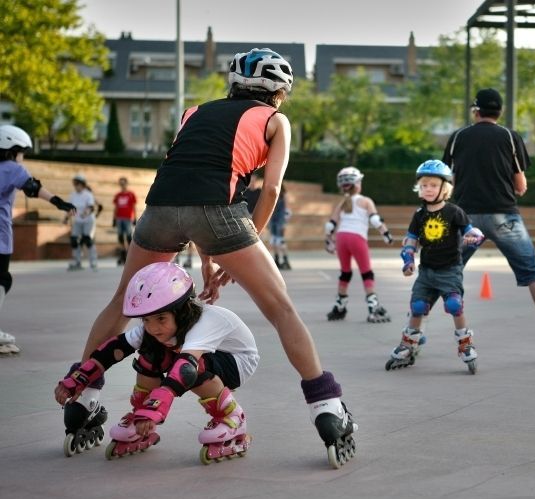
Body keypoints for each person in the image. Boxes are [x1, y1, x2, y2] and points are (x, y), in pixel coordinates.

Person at [56, 48, 357, 468]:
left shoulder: (193, 112)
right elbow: (268, 191)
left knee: (123, 300)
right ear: (280, 93)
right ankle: (328, 409)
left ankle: (85, 398)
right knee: (281, 310)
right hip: (220, 213)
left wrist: (210, 260)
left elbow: (190, 180)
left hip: (159, 208)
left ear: (232, 84)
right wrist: (244, 240)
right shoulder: (275, 120)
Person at [55, 262, 258, 463]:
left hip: (238, 361)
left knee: (191, 367)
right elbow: (112, 351)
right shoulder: (155, 329)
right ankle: (140, 417)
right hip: (201, 358)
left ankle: (232, 418)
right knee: (150, 353)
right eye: (146, 320)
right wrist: (79, 378)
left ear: (183, 310)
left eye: (161, 318)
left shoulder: (204, 322)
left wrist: (156, 409)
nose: (153, 327)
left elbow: (186, 368)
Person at [442, 88, 535, 365]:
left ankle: (412, 333)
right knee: (532, 271)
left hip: (465, 218)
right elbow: (520, 184)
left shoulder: (458, 137)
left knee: (441, 270)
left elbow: (447, 180)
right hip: (504, 215)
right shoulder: (509, 136)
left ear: (475, 111)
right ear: (499, 112)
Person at [386, 160, 485, 373]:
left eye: (432, 185)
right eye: (424, 185)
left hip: (450, 269)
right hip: (427, 270)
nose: (428, 189)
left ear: (444, 188)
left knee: (454, 306)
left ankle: (465, 343)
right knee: (418, 307)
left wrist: (473, 236)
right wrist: (408, 260)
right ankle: (408, 343)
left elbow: (471, 231)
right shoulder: (419, 215)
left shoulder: (454, 212)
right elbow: (411, 240)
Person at [0, 125, 76, 355]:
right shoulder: (12, 168)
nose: (22, 156)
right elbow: (33, 188)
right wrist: (59, 202)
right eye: (21, 150)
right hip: (1, 238)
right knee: (2, 279)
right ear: (11, 148)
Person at [324, 166, 393, 323]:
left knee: (345, 273)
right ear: (358, 183)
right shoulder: (366, 201)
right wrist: (386, 234)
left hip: (341, 238)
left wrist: (329, 240)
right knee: (366, 273)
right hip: (357, 238)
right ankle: (373, 308)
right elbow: (375, 220)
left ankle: (339, 307)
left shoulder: (342, 203)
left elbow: (331, 225)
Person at [66, 174, 99, 271]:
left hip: (88, 220)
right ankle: (77, 262)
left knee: (87, 240)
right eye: (75, 184)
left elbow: (91, 207)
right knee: (74, 240)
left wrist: (86, 213)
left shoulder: (88, 194)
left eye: (78, 184)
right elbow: (70, 209)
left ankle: (93, 261)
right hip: (78, 221)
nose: (76, 186)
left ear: (82, 184)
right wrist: (66, 218)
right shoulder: (73, 195)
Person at [112, 176, 137, 265]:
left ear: (126, 184)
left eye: (123, 183)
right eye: (120, 184)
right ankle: (123, 255)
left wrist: (135, 218)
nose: (122, 185)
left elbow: (134, 207)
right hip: (119, 218)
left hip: (128, 218)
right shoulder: (118, 195)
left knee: (129, 237)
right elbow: (116, 207)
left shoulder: (131, 194)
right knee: (120, 237)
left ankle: (130, 256)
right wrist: (114, 219)